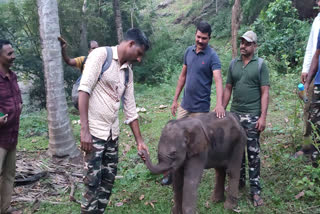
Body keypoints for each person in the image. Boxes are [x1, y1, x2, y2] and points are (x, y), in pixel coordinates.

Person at [78, 28, 150, 214]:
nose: (140, 59)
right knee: (91, 184)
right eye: (139, 54)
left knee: (107, 183)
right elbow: (83, 91)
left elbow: (130, 110)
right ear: (131, 44)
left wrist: (140, 141)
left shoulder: (128, 72)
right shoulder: (101, 55)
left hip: (112, 136)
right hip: (94, 133)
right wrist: (84, 131)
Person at [161, 21, 225, 185]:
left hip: (201, 110)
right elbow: (183, 76)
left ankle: (192, 174)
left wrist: (220, 104)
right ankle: (171, 172)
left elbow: (218, 80)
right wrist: (175, 99)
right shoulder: (188, 52)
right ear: (195, 35)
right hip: (185, 106)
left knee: (195, 144)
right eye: (198, 37)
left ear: (209, 38)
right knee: (175, 139)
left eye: (204, 38)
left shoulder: (212, 56)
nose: (200, 40)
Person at [222, 31, 269, 207]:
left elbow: (265, 92)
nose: (243, 46)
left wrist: (263, 116)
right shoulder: (234, 64)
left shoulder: (260, 65)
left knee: (253, 154)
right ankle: (238, 182)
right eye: (241, 42)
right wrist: (222, 109)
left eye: (247, 43)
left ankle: (255, 191)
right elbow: (228, 88)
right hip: (234, 116)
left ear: (254, 46)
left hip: (252, 116)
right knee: (235, 153)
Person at [0, 39, 22, 214]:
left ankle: (4, 208)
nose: (13, 56)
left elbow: (17, 99)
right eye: (9, 54)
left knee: (8, 175)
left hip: (12, 135)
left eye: (13, 52)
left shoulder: (13, 76)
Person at [296, 0, 320, 157]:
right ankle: (306, 147)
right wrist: (305, 69)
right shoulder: (318, 20)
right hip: (315, 75)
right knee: (309, 112)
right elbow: (312, 47)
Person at [303, 29, 320, 167]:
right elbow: (314, 52)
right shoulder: (317, 24)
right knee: (311, 119)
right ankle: (309, 151)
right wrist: (307, 77)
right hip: (316, 83)